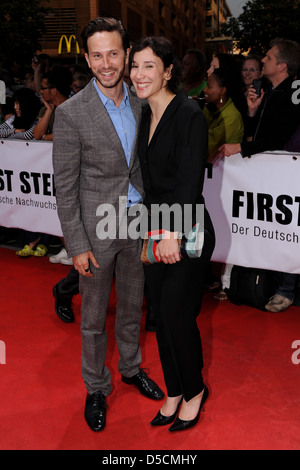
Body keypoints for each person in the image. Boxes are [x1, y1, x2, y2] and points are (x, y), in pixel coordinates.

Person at [52, 17, 164, 433]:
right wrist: (76, 243)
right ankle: (96, 386)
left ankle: (132, 368)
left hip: (136, 224)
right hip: (96, 231)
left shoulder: (142, 100)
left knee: (134, 306)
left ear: (127, 53)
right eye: (97, 55)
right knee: (94, 317)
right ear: (86, 57)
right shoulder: (70, 113)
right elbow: (65, 187)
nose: (106, 63)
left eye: (113, 53)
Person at [129, 36, 215, 432]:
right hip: (155, 227)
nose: (139, 74)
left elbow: (189, 180)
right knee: (161, 318)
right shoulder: (145, 114)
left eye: (149, 66)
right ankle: (175, 390)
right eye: (135, 66)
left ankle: (195, 390)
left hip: (186, 230)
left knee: (179, 316)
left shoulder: (189, 114)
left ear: (167, 72)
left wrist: (172, 234)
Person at [219, 38, 300, 313]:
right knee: (273, 227)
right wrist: (253, 113)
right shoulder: (273, 90)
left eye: (267, 57)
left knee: (286, 228)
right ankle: (274, 283)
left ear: (282, 65)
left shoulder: (291, 93)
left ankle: (286, 289)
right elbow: (264, 133)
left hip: (285, 175)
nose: (261, 61)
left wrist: (240, 147)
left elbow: (277, 138)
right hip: (271, 174)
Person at [202, 68, 244, 300]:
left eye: (210, 86)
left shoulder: (230, 117)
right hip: (212, 184)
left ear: (223, 90)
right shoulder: (212, 110)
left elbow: (205, 149)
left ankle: (223, 282)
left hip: (226, 187)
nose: (206, 90)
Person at [33, 67, 72, 141]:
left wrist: (45, 137)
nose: (41, 91)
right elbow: (37, 135)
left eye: (43, 88)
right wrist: (49, 110)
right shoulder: (45, 109)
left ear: (54, 91)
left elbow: (70, 134)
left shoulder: (73, 108)